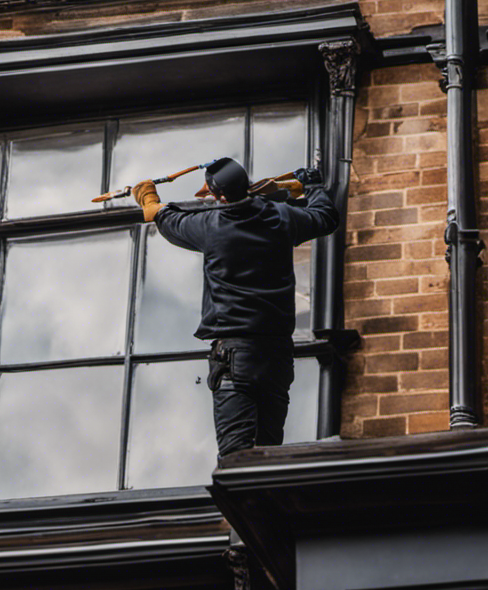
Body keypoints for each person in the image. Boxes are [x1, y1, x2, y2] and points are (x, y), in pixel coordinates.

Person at [132, 157, 338, 457]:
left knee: (236, 458)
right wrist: (311, 185)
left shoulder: (209, 225)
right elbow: (325, 217)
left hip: (236, 356)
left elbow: (162, 217)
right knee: (268, 455)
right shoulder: (280, 218)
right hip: (277, 358)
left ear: (217, 196)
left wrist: (149, 197)